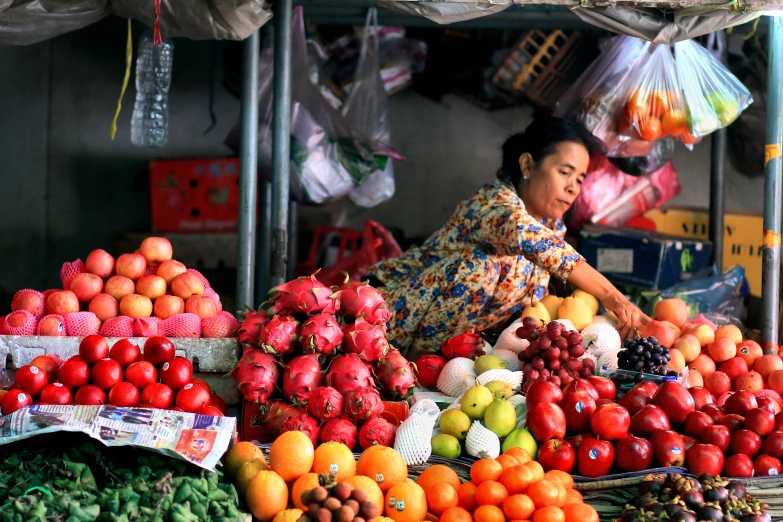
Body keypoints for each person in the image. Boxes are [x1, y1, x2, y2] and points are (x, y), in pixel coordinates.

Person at [369, 117, 650, 357]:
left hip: (457, 344)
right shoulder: (494, 203)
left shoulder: (553, 225)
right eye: (565, 172)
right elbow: (532, 240)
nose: (572, 188)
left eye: (579, 179)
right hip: (386, 322)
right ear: (527, 165)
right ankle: (420, 365)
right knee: (479, 267)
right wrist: (613, 296)